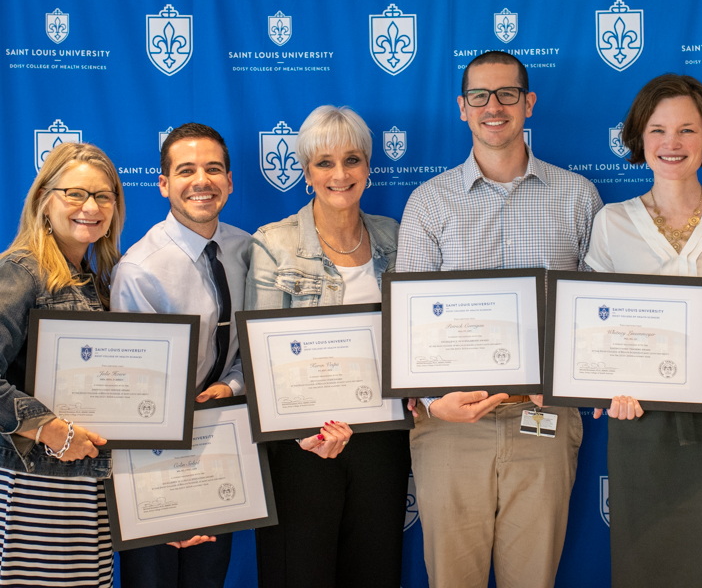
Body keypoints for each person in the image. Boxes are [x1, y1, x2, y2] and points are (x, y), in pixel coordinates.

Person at [396, 51, 601, 587]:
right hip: (450, 425)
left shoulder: (578, 197)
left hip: (544, 420)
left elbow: (595, 319)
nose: (494, 107)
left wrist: (562, 382)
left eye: (507, 94)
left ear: (528, 103)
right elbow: (409, 326)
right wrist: (433, 401)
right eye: (480, 96)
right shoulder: (428, 202)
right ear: (462, 108)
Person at [586, 74, 702, 587]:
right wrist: (608, 388)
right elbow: (591, 331)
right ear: (638, 139)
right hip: (638, 412)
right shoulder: (611, 222)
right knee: (643, 556)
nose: (672, 144)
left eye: (687, 130)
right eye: (658, 130)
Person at [245, 105, 401, 588]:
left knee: (374, 572)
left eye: (352, 160)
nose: (340, 174)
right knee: (300, 573)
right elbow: (263, 359)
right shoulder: (273, 244)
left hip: (383, 439)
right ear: (307, 171)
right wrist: (301, 431)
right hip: (304, 444)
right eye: (324, 162)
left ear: (368, 167)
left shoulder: (395, 238)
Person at [110, 123, 268, 586]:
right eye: (186, 170)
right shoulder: (139, 270)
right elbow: (135, 394)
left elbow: (253, 345)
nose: (202, 180)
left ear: (230, 181)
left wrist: (232, 385)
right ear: (163, 184)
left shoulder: (247, 250)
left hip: (221, 444)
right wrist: (170, 498)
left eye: (214, 169)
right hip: (155, 459)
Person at [0, 142, 126, 586]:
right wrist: (54, 431)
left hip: (88, 489)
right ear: (43, 200)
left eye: (103, 195)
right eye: (75, 193)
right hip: (36, 491)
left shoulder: (97, 282)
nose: (91, 207)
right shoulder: (21, 270)